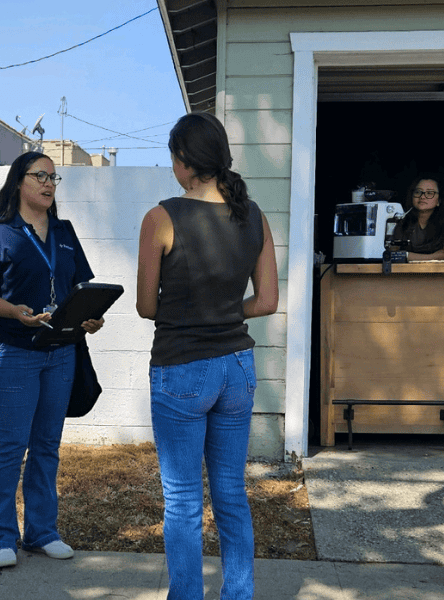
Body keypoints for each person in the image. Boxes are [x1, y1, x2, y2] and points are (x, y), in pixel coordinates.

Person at [136, 112, 279, 600]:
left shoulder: (161, 217)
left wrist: (197, 311)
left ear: (183, 162)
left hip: (182, 367)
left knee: (181, 501)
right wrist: (221, 311)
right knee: (232, 494)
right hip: (237, 365)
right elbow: (265, 303)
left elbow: (146, 306)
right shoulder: (253, 215)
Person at [0, 151, 104, 569]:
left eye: (54, 178)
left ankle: (41, 532)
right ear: (18, 181)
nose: (48, 183)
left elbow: (80, 283)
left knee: (47, 445)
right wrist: (14, 311)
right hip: (12, 352)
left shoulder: (64, 231)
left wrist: (88, 316)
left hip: (60, 351)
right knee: (11, 445)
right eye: (40, 175)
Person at [392, 175, 444, 261]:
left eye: (429, 193)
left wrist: (408, 256)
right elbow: (393, 254)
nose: (422, 197)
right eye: (418, 192)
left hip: (441, 271)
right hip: (407, 271)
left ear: (439, 201)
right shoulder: (402, 216)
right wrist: (434, 257)